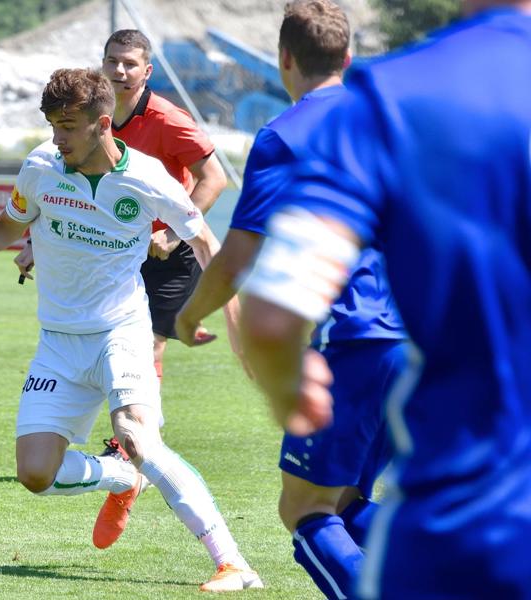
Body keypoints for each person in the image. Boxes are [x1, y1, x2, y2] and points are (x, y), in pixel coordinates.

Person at [0, 68, 262, 592]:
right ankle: (120, 478)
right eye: (51, 125)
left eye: (68, 126)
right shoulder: (41, 167)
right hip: (58, 343)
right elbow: (9, 223)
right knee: (35, 475)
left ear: (102, 122)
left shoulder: (147, 177)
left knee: (138, 436)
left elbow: (207, 244)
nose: (57, 137)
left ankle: (233, 562)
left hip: (122, 331)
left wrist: (236, 326)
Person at [237, 2, 531, 597]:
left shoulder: (393, 92)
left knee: (309, 508)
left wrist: (285, 382)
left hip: (465, 513)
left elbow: (271, 315)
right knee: (343, 502)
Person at [173, 2, 406, 597]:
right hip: (418, 332)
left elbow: (236, 257)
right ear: (348, 59)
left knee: (304, 512)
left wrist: (190, 312)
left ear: (283, 59)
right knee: (348, 502)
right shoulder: (390, 121)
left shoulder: (286, 135)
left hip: (351, 338)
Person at [15, 29, 230, 365]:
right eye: (112, 61)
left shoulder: (169, 120)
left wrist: (173, 232)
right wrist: (35, 242)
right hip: (112, 242)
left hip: (166, 252)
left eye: (130, 64)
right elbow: (66, 184)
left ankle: (140, 413)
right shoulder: (86, 119)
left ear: (147, 72)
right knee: (104, 346)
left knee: (148, 344)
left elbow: (215, 178)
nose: (119, 71)